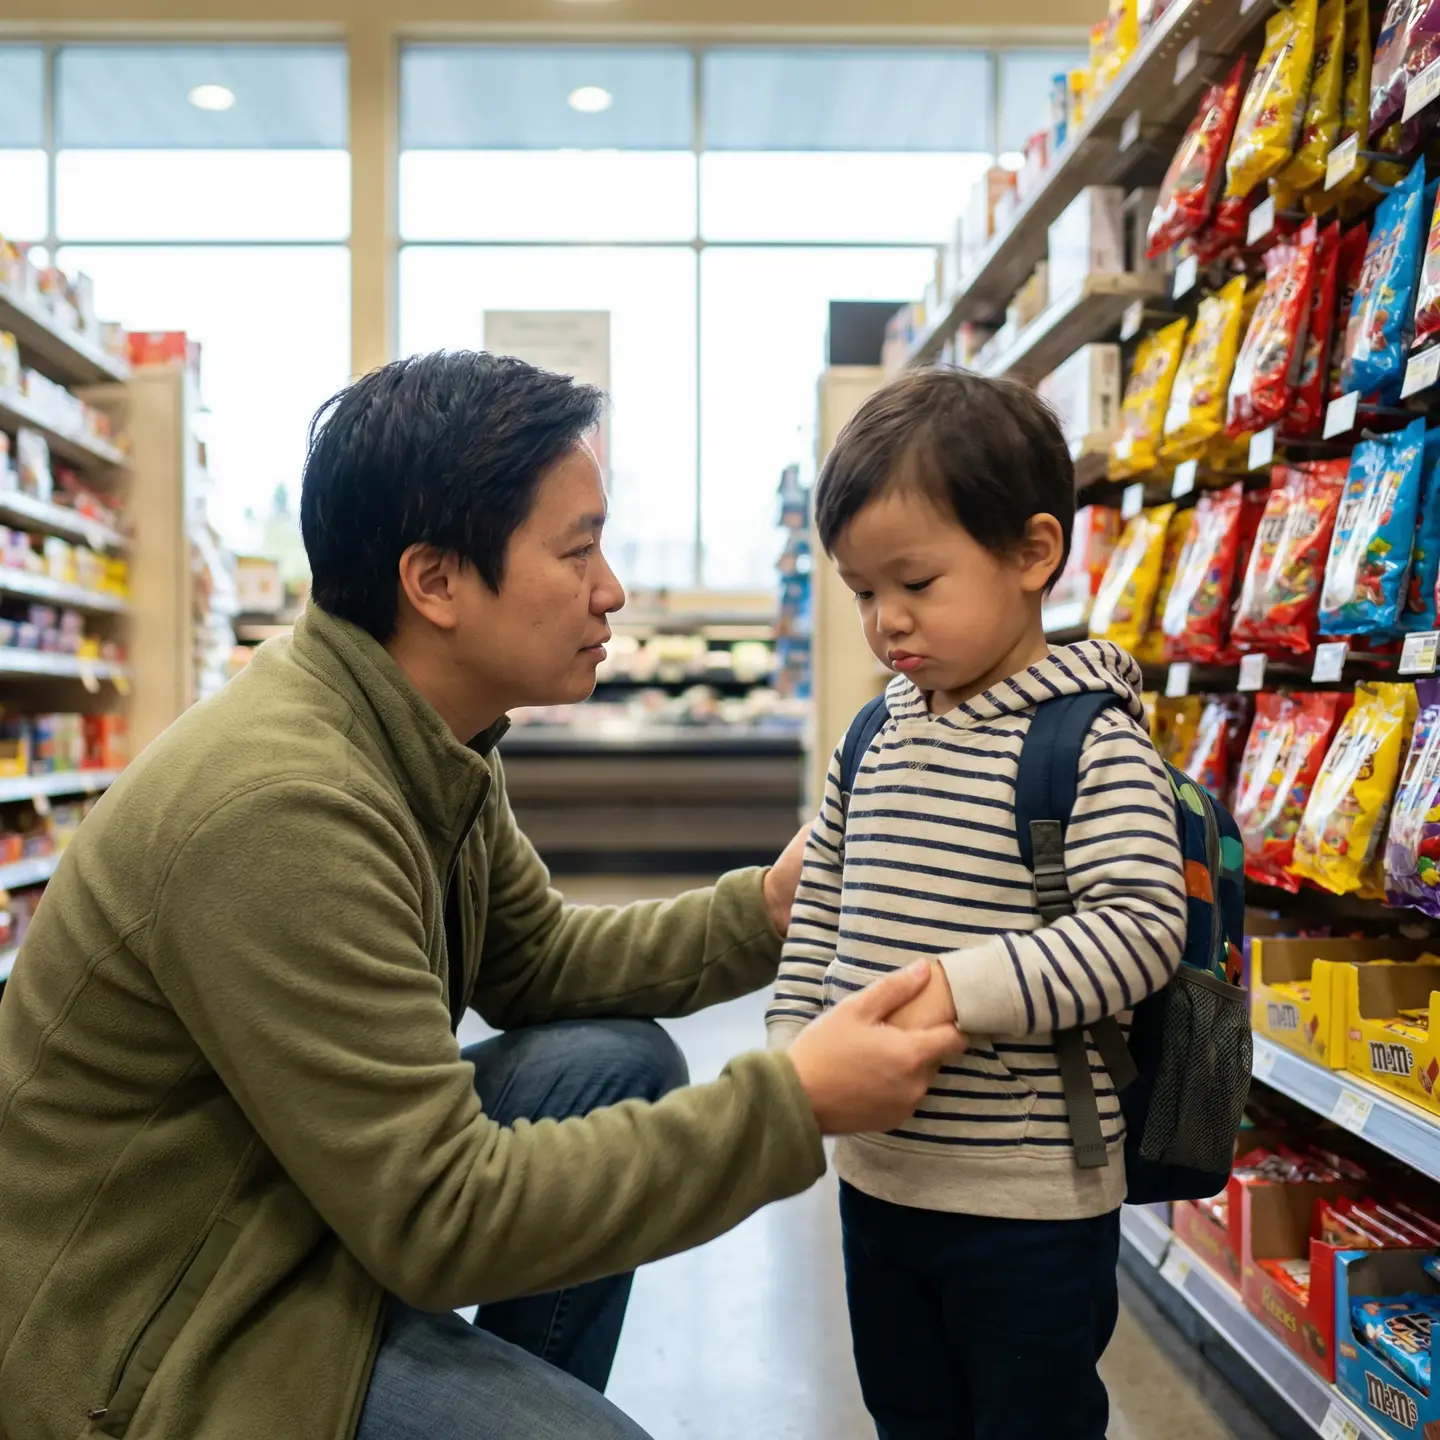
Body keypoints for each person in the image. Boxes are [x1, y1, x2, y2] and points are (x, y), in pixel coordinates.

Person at [0, 351, 968, 1440]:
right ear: (436, 582)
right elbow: (441, 1214)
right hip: (150, 1338)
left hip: (276, 1206)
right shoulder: (281, 807)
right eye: (577, 549)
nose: (611, 589)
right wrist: (796, 1100)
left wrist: (771, 909)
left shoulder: (420, 729)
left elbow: (535, 964)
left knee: (615, 1065)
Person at [765, 368, 1189, 1440]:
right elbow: (824, 904)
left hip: (1029, 1196)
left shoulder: (1085, 740)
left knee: (1028, 1417)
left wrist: (963, 986)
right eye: (864, 592)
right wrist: (787, 1057)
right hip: (881, 1178)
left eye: (915, 582)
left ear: (1033, 554)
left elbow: (1140, 928)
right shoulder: (873, 737)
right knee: (908, 1409)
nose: (886, 621)